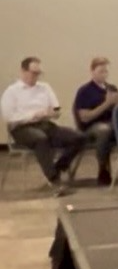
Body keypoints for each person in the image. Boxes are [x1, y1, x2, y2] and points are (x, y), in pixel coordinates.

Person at [1, 58, 84, 188]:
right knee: (40, 138)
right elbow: (9, 117)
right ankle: (54, 179)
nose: (36, 76)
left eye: (38, 73)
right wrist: (34, 115)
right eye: (33, 73)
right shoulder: (12, 91)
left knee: (78, 137)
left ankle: (57, 167)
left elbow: (56, 108)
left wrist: (54, 113)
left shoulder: (45, 87)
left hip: (44, 124)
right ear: (23, 71)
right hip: (21, 128)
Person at [72, 56, 118, 185]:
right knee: (103, 130)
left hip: (111, 124)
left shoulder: (112, 89)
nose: (104, 74)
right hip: (91, 127)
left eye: (106, 71)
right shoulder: (84, 91)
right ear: (92, 71)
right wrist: (106, 103)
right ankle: (103, 169)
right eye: (101, 71)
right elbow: (85, 117)